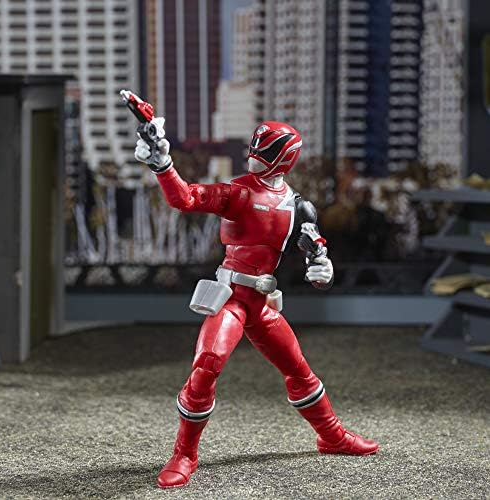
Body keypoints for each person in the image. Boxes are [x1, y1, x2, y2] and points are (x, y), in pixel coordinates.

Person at [134, 121, 379, 489]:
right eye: (255, 146)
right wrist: (163, 164)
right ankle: (184, 454)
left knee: (298, 369)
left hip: (261, 303)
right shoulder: (239, 193)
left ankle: (332, 436)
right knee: (206, 366)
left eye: (264, 149)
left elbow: (315, 256)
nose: (254, 154)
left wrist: (322, 268)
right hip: (231, 298)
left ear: (284, 157)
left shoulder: (299, 208)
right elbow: (185, 198)